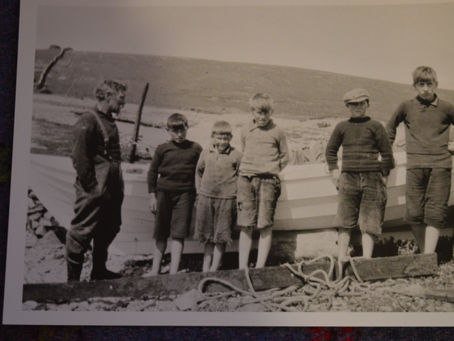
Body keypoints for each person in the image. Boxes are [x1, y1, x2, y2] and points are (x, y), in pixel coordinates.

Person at [325, 88, 394, 275]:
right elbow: (330, 151)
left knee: (370, 220)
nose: (358, 107)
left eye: (362, 103)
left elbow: (387, 154)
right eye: (353, 104)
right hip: (348, 177)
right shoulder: (341, 127)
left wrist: (384, 177)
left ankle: (366, 260)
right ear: (347, 106)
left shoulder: (376, 126)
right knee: (345, 219)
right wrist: (334, 171)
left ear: (367, 104)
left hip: (373, 178)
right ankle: (341, 259)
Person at [386, 66, 454, 254]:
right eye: (421, 84)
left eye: (429, 84)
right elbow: (390, 128)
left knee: (435, 213)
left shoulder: (447, 107)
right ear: (414, 86)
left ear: (436, 85)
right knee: (413, 213)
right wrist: (385, 153)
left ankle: (427, 256)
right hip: (415, 165)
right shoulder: (406, 106)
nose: (425, 88)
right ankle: (426, 255)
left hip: (441, 166)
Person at [66, 79, 127, 281]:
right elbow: (80, 158)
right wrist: (92, 188)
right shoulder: (88, 120)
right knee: (81, 232)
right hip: (95, 189)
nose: (123, 104)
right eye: (121, 99)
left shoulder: (109, 120)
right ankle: (72, 283)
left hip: (111, 188)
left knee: (110, 227)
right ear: (107, 96)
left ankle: (98, 271)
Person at [237, 93, 289, 269]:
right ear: (252, 111)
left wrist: (269, 170)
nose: (262, 117)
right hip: (246, 180)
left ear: (271, 112)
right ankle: (242, 267)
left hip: (268, 182)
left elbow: (284, 157)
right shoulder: (245, 130)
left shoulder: (278, 132)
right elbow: (244, 149)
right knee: (246, 224)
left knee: (265, 224)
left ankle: (260, 267)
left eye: (266, 113)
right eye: (259, 112)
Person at [147, 113, 202, 275]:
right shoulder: (162, 149)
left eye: (182, 130)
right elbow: (152, 173)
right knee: (160, 233)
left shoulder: (196, 149)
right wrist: (152, 195)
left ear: (187, 128)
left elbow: (202, 171)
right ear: (168, 130)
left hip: (185, 196)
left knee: (178, 234)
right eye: (175, 131)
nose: (179, 134)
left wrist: (199, 195)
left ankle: (173, 272)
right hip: (163, 194)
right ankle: (155, 270)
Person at [194, 121, 243, 272]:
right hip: (206, 198)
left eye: (225, 139)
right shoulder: (205, 153)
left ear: (231, 138)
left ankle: (215, 268)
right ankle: (205, 268)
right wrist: (199, 192)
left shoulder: (236, 155)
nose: (222, 142)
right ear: (212, 137)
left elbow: (241, 176)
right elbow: (199, 172)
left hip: (227, 199)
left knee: (221, 236)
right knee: (207, 235)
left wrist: (239, 198)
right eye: (219, 138)